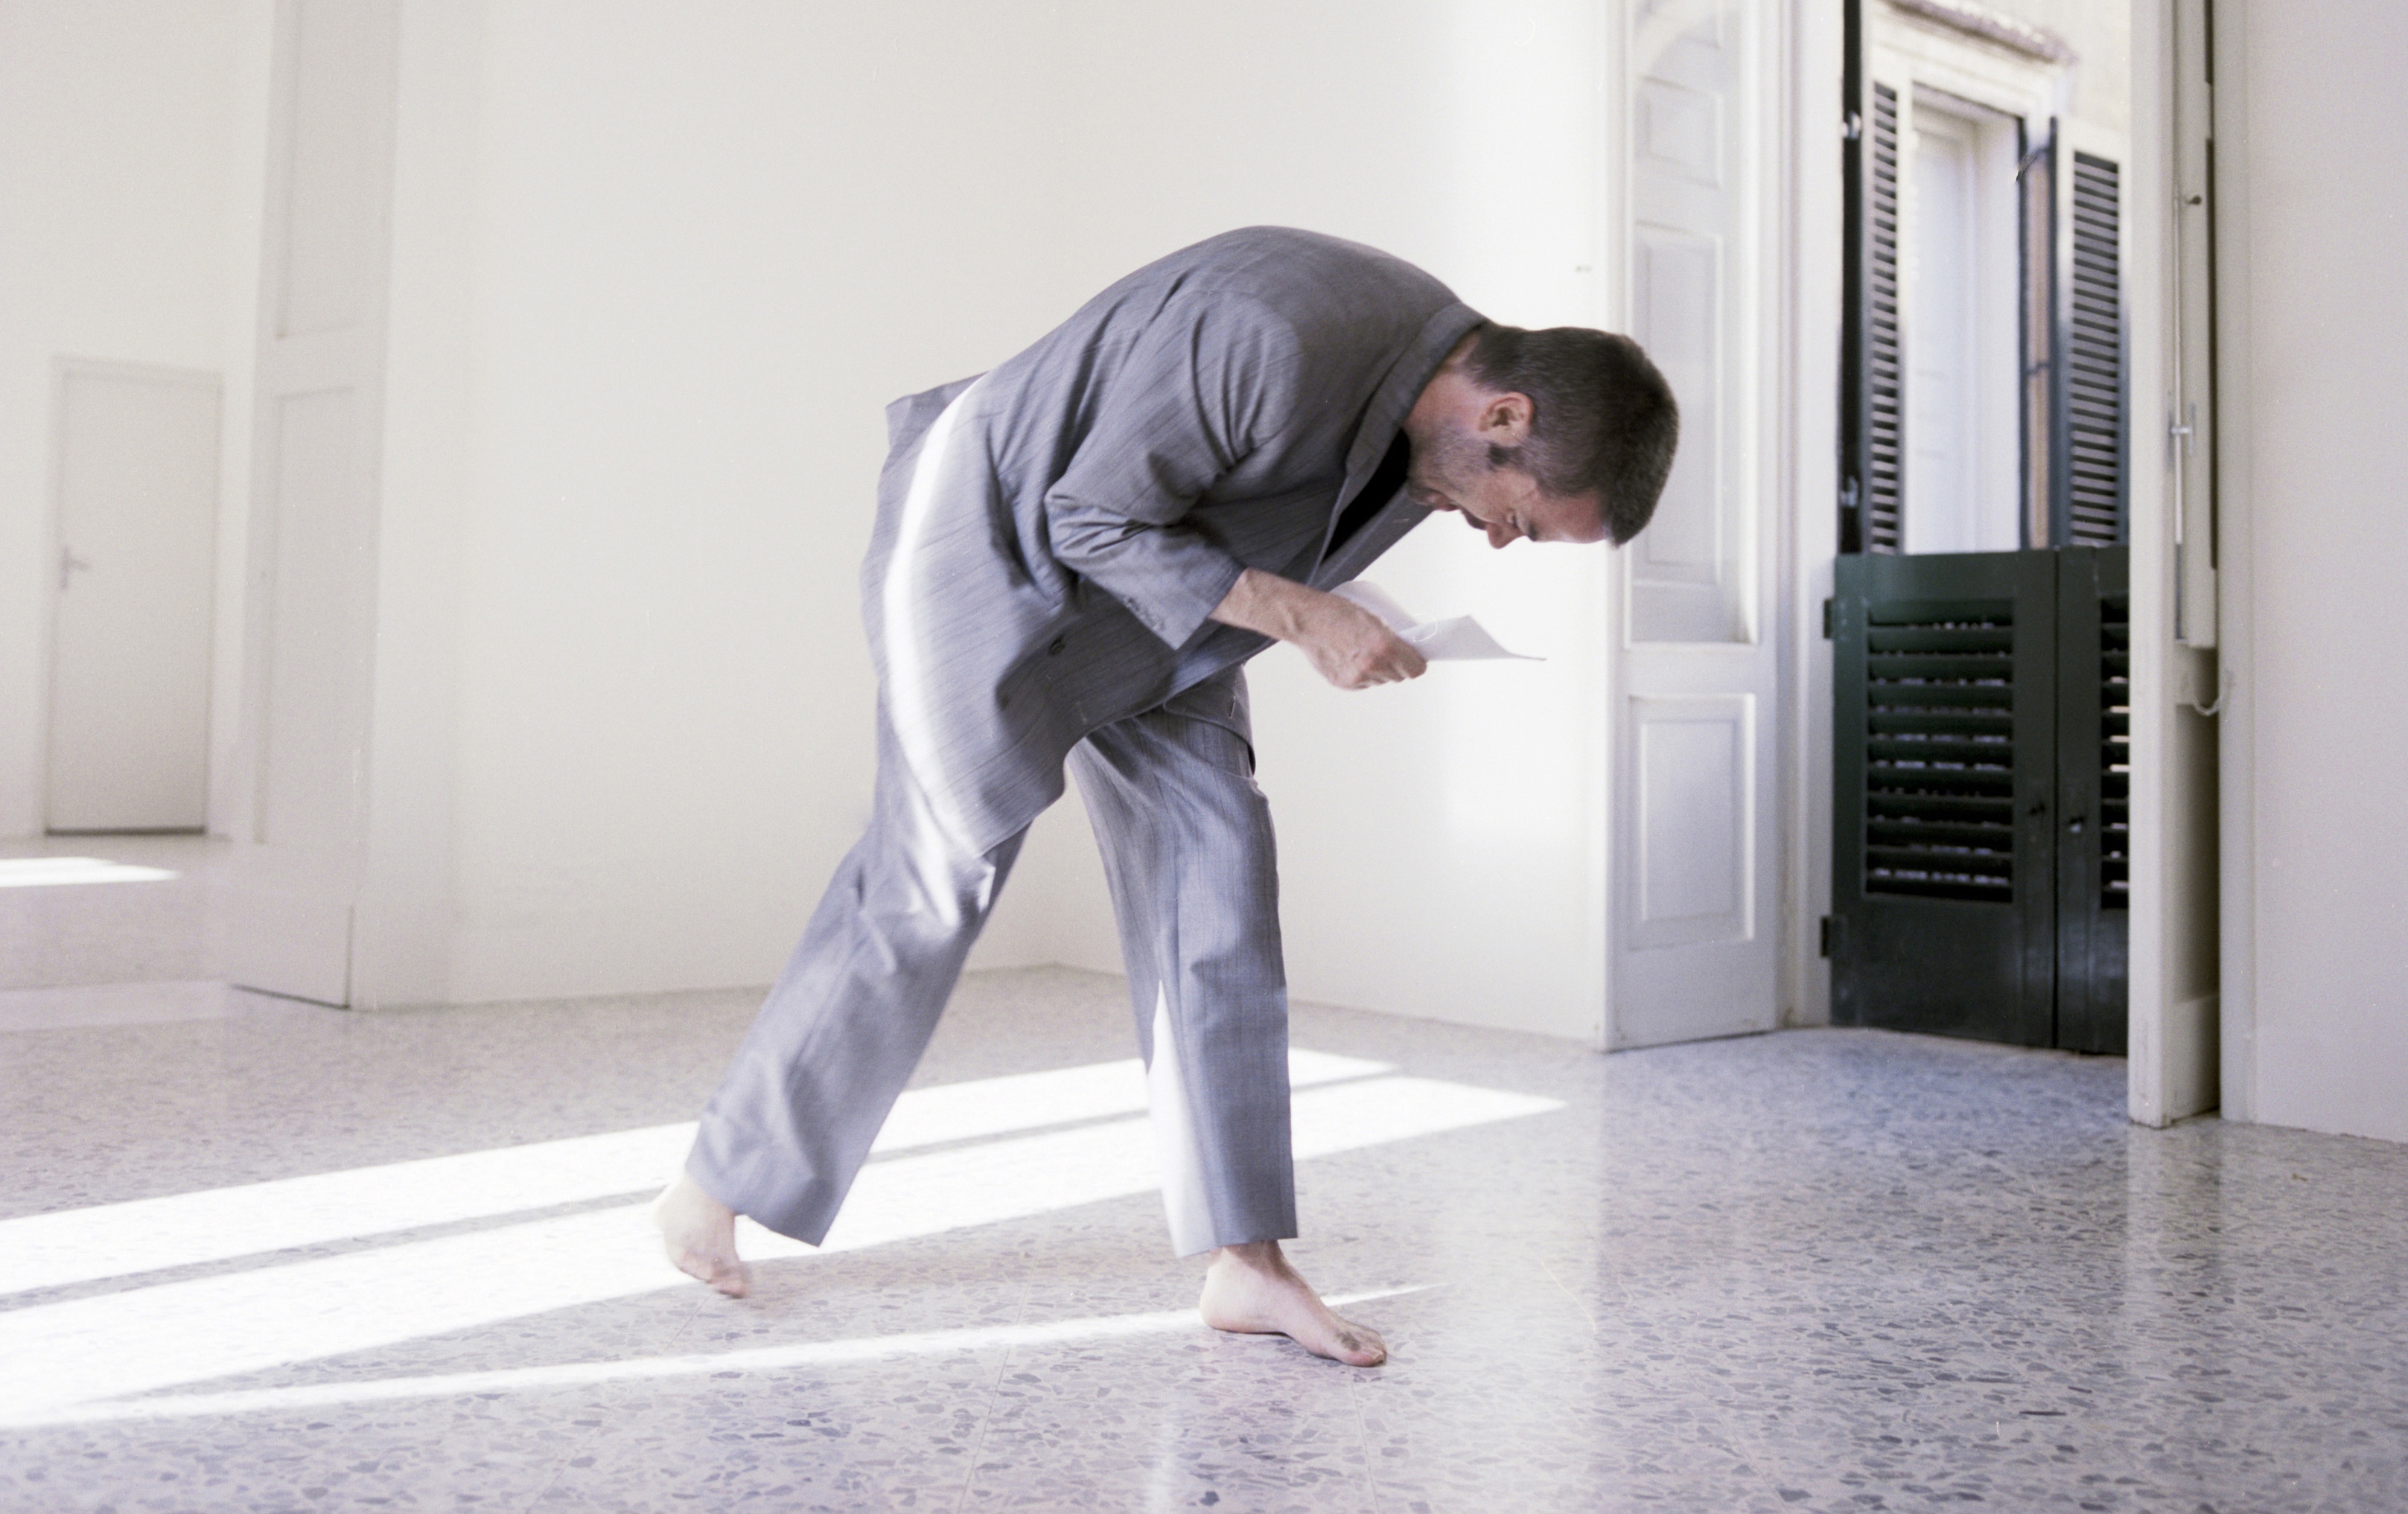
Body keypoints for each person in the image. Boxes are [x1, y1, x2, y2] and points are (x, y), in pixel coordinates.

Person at [653, 226, 1677, 1366]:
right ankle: (719, 1180)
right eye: (1516, 517)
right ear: (1505, 417)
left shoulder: (1427, 418)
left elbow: (1243, 519)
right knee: (938, 869)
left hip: (1165, 599)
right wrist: (1309, 618)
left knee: (1216, 866)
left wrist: (1339, 610)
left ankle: (1247, 1264)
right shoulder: (1275, 334)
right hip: (988, 538)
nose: (1494, 538)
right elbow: (1085, 515)